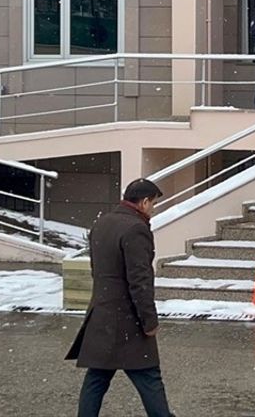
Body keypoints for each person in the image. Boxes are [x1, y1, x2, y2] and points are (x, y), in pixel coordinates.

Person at [67, 178, 175, 417]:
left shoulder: (102, 223)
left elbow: (98, 269)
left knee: (97, 377)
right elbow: (140, 281)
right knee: (149, 376)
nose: (153, 209)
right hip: (128, 318)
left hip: (101, 311)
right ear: (144, 202)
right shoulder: (136, 228)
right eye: (153, 203)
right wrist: (149, 321)